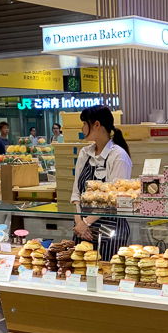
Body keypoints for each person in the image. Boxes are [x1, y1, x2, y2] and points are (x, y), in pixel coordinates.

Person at [71, 105, 132, 258]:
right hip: (83, 230)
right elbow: (76, 193)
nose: (83, 127)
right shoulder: (85, 153)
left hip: (109, 230)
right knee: (81, 275)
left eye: (85, 123)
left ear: (97, 125)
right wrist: (79, 223)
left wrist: (87, 223)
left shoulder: (118, 156)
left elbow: (113, 200)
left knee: (107, 276)